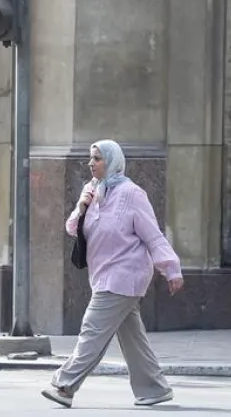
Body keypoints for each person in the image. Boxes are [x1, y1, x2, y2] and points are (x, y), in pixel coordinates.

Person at [42, 139, 184, 409]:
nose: (91, 163)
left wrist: (171, 268)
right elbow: (72, 228)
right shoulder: (92, 189)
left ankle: (65, 385)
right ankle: (154, 388)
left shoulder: (132, 194)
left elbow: (153, 236)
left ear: (112, 161)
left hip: (124, 276)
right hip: (102, 275)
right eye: (90, 158)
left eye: (97, 158)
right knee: (132, 337)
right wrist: (82, 206)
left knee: (92, 331)